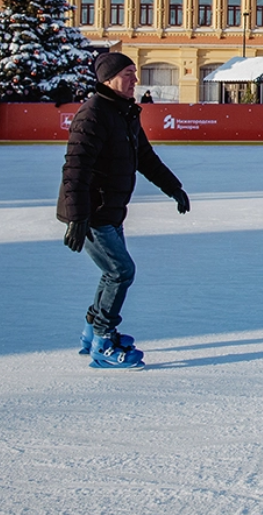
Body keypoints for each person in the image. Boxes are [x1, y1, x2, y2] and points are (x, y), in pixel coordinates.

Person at [57, 52, 190, 369]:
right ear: (108, 78)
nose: (135, 79)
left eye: (135, 72)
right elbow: (75, 169)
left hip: (113, 209)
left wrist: (173, 187)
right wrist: (77, 218)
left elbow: (144, 156)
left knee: (112, 272)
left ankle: (92, 332)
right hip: (93, 212)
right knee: (121, 271)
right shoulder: (93, 115)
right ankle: (103, 342)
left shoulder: (124, 112)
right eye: (128, 73)